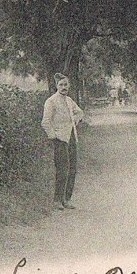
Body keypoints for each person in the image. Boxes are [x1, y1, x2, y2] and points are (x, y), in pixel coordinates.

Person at [41, 73, 85, 211]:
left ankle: (67, 199)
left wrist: (75, 121)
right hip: (60, 139)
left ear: (69, 85)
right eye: (61, 85)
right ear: (56, 86)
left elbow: (80, 112)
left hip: (71, 136)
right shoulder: (51, 101)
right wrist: (54, 137)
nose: (64, 87)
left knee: (72, 169)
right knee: (62, 170)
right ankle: (57, 200)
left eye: (66, 84)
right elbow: (45, 122)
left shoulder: (69, 101)